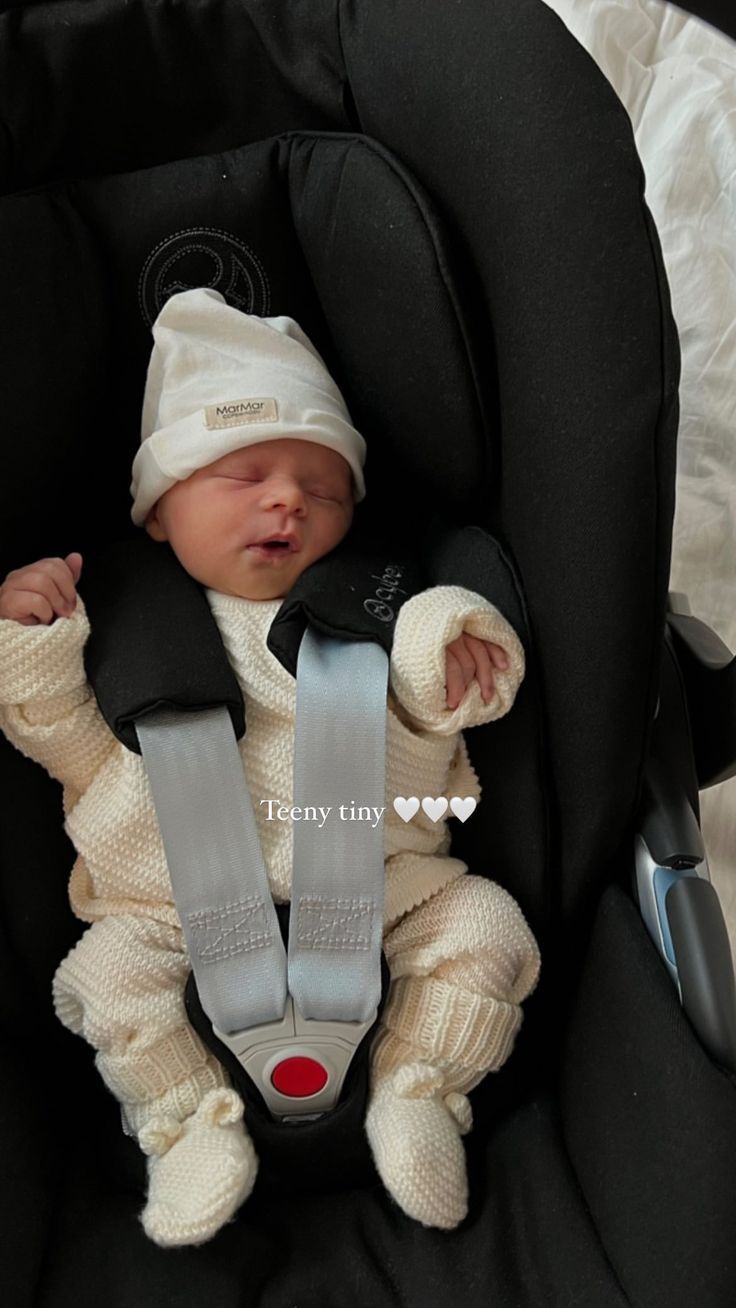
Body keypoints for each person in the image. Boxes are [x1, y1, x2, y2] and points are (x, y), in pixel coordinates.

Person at [0, 288, 540, 1248]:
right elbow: (62, 740)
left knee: (486, 928)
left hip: (383, 884)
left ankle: (418, 1087)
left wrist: (445, 657)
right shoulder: (119, 624)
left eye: (322, 487)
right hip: (166, 907)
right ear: (158, 511)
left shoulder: (375, 605)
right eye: (245, 474)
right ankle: (185, 1126)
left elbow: (427, 737)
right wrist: (29, 635)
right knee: (106, 981)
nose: (288, 498)